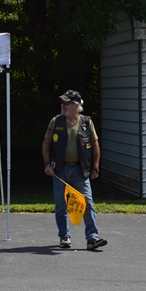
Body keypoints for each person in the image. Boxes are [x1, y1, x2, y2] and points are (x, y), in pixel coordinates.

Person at [42, 90, 107, 250]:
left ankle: (92, 238)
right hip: (60, 169)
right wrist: (47, 164)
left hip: (80, 169)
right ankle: (64, 236)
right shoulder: (56, 121)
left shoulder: (86, 122)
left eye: (66, 102)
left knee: (88, 203)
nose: (62, 105)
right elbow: (46, 143)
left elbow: (95, 145)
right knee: (61, 205)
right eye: (62, 102)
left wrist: (95, 167)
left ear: (76, 105)